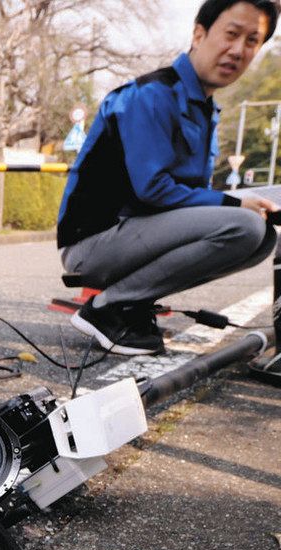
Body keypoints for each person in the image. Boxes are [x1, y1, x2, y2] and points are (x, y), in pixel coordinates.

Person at [58, 0, 280, 355]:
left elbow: (189, 195)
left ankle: (130, 304)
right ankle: (108, 309)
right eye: (231, 34)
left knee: (263, 238)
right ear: (199, 33)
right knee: (245, 227)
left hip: (134, 233)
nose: (238, 50)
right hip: (94, 243)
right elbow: (153, 189)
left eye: (252, 41)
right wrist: (234, 202)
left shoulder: (205, 107)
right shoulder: (150, 95)